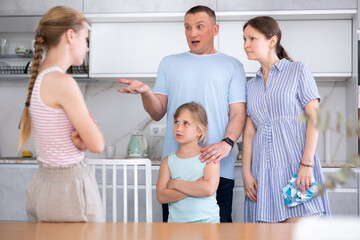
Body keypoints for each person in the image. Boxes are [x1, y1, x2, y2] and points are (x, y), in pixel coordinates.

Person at [118, 5, 246, 222]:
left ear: (215, 30)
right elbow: (157, 112)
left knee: (219, 233)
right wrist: (146, 92)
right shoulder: (169, 63)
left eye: (199, 26)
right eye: (187, 27)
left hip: (216, 168)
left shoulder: (233, 66)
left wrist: (226, 144)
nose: (192, 33)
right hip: (176, 168)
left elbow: (238, 114)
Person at [18, 6, 104, 222]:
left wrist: (80, 140)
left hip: (44, 184)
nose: (86, 48)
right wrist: (87, 136)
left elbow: (65, 140)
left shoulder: (41, 79)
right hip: (70, 190)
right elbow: (98, 145)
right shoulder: (63, 83)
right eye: (86, 40)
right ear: (70, 35)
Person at [242, 16, 331, 223]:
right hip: (262, 177)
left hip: (296, 172)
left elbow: (314, 118)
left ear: (272, 41)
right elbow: (248, 132)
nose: (246, 45)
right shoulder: (251, 85)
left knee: (300, 231)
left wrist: (306, 165)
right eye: (244, 39)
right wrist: (246, 173)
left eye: (252, 39)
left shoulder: (298, 70)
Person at [156, 102, 220, 222]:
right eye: (176, 122)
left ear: (200, 131)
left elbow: (208, 189)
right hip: (177, 225)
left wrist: (175, 184)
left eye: (186, 123)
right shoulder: (168, 161)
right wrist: (196, 187)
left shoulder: (209, 157)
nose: (179, 128)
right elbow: (161, 196)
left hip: (207, 223)